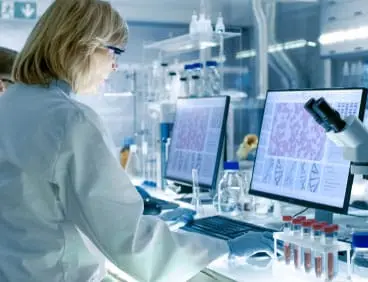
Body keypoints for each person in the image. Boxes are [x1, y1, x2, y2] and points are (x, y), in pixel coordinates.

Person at [0, 1, 272, 281]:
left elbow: (47, 205)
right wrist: (224, 246)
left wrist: (137, 216)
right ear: (83, 45)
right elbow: (130, 242)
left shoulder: (11, 103)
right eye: (114, 52)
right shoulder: (69, 120)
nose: (115, 66)